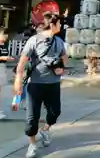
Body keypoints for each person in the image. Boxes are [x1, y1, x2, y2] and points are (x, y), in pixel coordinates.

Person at [14, 13, 66, 158]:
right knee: (32, 118)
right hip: (35, 84)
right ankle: (32, 145)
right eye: (59, 24)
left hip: (53, 83)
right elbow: (22, 62)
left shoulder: (59, 42)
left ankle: (45, 129)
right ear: (52, 25)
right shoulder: (34, 40)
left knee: (55, 112)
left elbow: (64, 58)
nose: (61, 27)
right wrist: (18, 81)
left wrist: (61, 68)